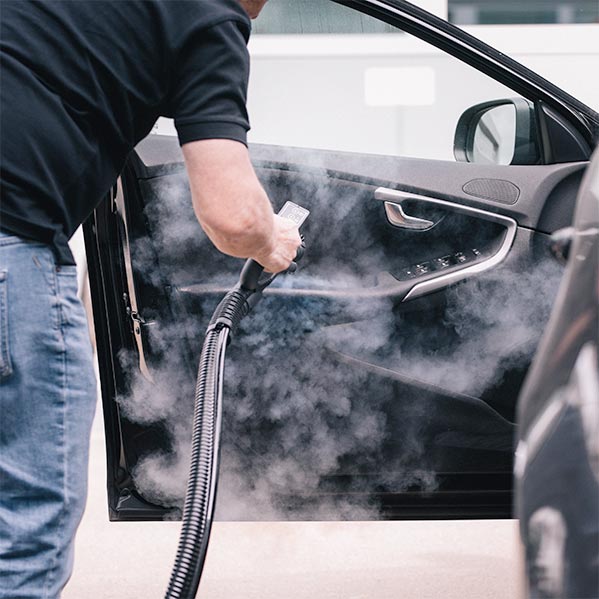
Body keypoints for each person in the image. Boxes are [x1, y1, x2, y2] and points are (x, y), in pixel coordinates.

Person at [0, 1, 300, 597]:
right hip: (12, 253)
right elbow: (234, 217)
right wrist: (273, 240)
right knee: (25, 524)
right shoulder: (208, 16)